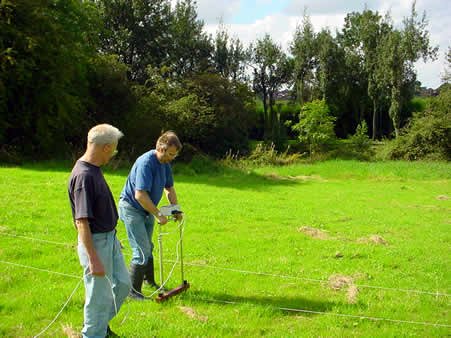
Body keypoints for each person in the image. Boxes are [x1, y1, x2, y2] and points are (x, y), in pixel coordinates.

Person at [68, 124, 131, 338]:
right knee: (98, 296)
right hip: (95, 243)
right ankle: (93, 333)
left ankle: (100, 326)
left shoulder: (94, 170)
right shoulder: (84, 176)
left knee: (123, 284)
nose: (113, 154)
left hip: (109, 239)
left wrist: (113, 238)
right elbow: (82, 222)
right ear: (106, 147)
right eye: (113, 149)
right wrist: (93, 258)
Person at [119, 131, 182, 300]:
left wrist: (175, 209)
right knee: (141, 249)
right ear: (160, 148)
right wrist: (158, 214)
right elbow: (140, 195)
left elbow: (169, 188)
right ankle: (133, 293)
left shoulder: (166, 165)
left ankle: (150, 282)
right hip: (132, 208)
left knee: (148, 247)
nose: (171, 158)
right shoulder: (146, 163)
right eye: (169, 154)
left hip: (147, 209)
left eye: (174, 155)